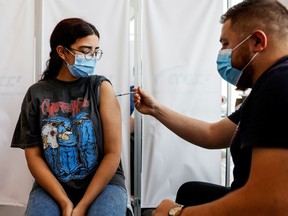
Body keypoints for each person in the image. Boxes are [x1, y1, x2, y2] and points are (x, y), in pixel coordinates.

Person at [133, 0, 288, 215]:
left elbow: (270, 202)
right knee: (191, 191)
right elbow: (212, 134)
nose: (222, 53)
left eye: (225, 44)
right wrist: (155, 109)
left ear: (257, 41)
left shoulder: (279, 83)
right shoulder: (268, 84)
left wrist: (178, 213)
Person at [11, 18, 127, 216]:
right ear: (62, 52)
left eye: (95, 51)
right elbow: (34, 157)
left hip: (104, 183)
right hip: (54, 184)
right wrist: (64, 202)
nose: (91, 57)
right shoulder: (36, 94)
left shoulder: (101, 88)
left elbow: (112, 154)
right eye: (85, 50)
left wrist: (82, 206)